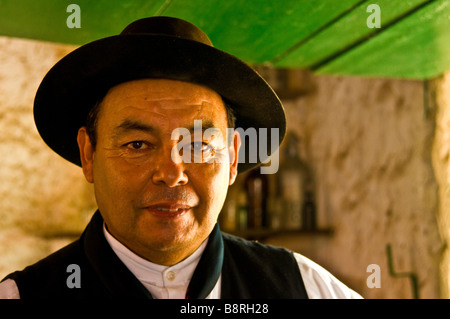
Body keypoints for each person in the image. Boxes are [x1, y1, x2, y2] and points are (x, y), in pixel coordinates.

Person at [0, 16, 361, 299]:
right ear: (89, 154)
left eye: (200, 146)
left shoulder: (305, 289)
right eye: (138, 144)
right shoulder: (23, 296)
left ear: (232, 158)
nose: (172, 174)